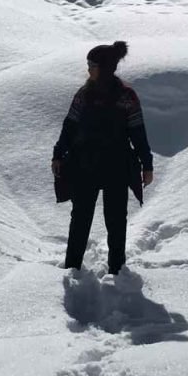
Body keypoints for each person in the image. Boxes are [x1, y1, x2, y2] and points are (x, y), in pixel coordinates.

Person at [52, 41, 154, 275]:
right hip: (84, 165)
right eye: (88, 64)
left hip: (116, 167)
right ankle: (72, 268)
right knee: (80, 219)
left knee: (116, 221)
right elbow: (69, 126)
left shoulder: (126, 97)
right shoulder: (84, 94)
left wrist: (146, 165)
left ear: (105, 67)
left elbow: (138, 132)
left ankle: (117, 272)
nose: (88, 69)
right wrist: (58, 154)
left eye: (92, 65)